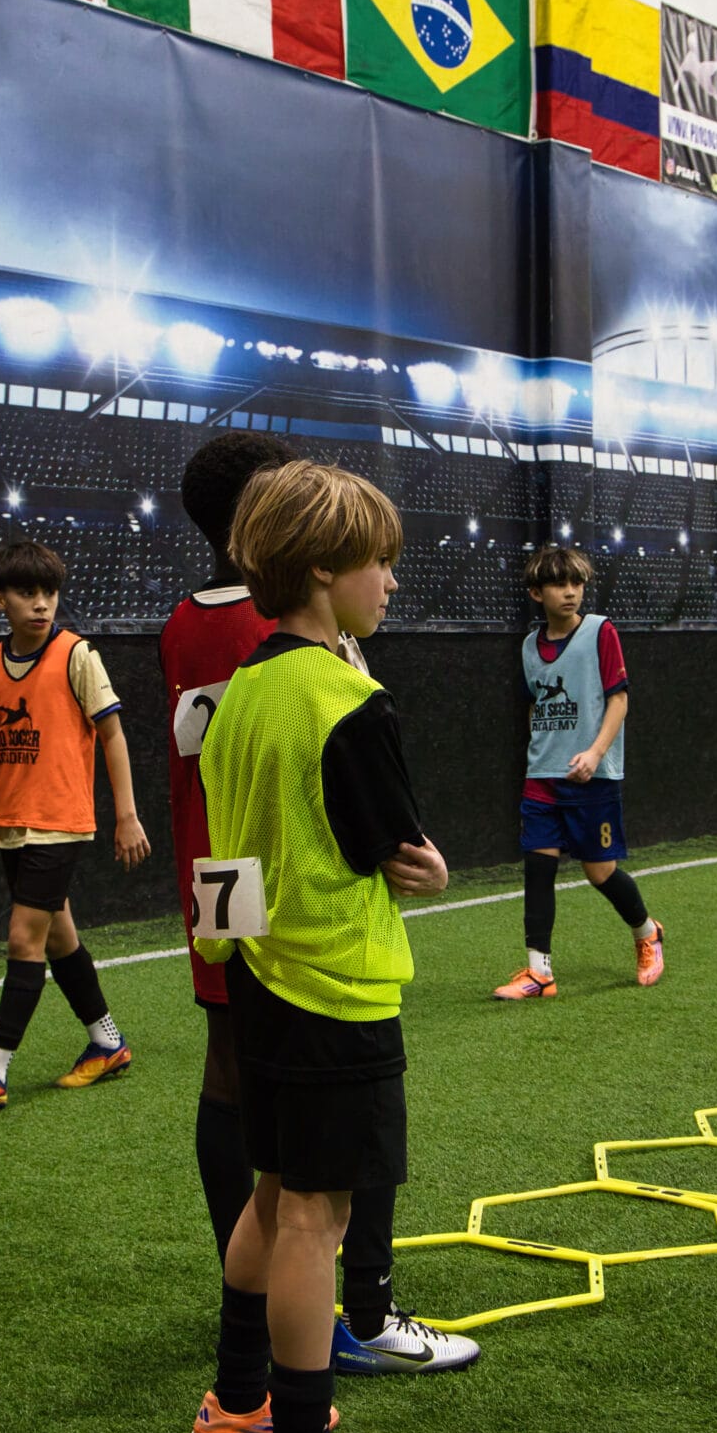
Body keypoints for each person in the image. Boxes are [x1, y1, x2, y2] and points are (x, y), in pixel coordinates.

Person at [161, 433, 475, 1376]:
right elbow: (397, 850)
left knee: (270, 1194)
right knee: (314, 1217)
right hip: (333, 984)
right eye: (379, 561)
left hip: (252, 967)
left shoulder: (240, 683)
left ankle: (234, 1402)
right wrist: (432, 869)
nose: (391, 581)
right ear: (323, 569)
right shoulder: (344, 695)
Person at [0, 539, 149, 1102]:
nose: (43, 603)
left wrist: (126, 815)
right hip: (11, 823)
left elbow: (113, 734)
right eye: (28, 593)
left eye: (49, 592)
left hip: (60, 821)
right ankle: (107, 1041)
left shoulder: (76, 655)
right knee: (58, 938)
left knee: (24, 937)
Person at [494, 543, 663, 1000]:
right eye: (559, 584)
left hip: (593, 776)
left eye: (577, 583)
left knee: (600, 872)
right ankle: (539, 973)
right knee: (538, 868)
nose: (570, 592)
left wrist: (594, 753)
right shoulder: (528, 646)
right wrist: (539, 755)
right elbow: (535, 705)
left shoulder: (600, 632)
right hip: (542, 776)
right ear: (536, 593)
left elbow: (619, 700)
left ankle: (647, 932)